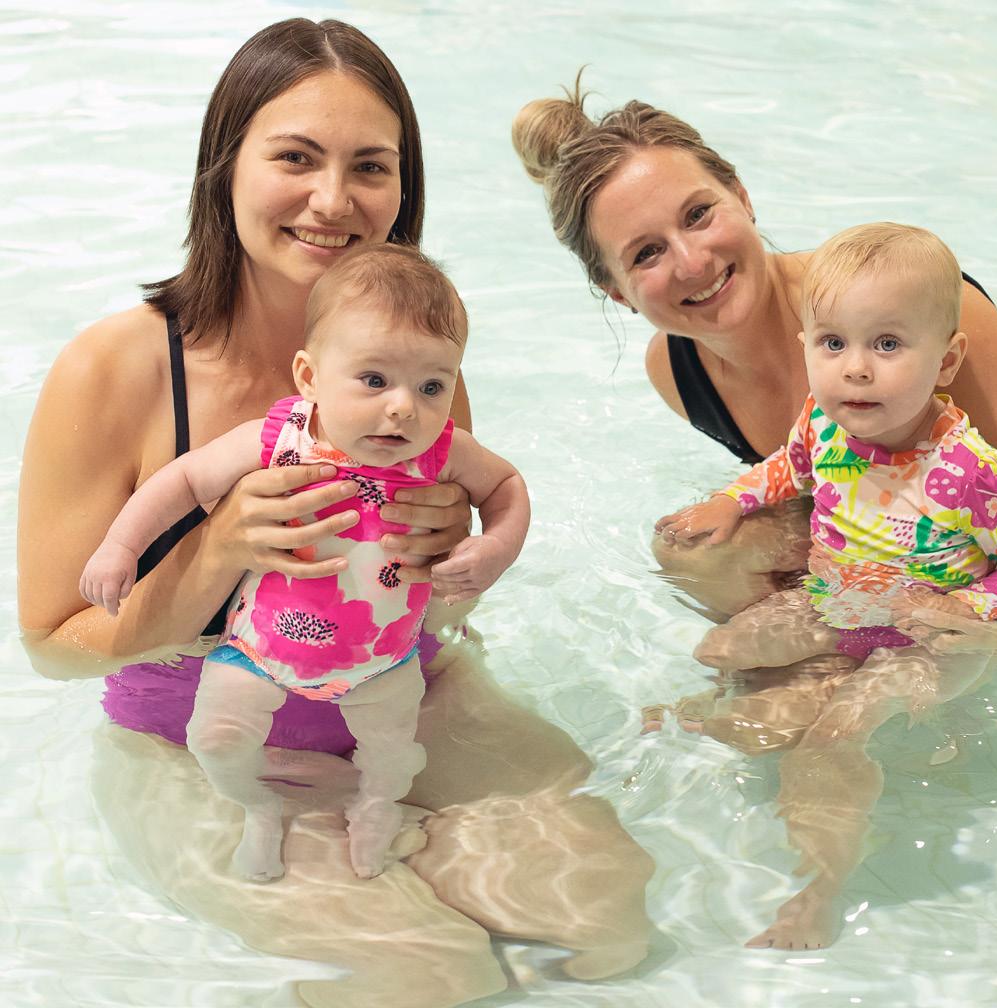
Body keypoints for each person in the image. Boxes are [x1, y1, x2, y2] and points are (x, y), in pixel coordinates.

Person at [19, 23, 652, 1005]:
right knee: (425, 974)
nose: (332, 199)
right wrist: (218, 551)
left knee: (605, 920)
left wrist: (458, 561)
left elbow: (436, 591)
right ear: (224, 167)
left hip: (400, 694)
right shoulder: (117, 369)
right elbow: (52, 647)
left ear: (403, 188)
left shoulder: (413, 367)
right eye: (295, 158)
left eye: (369, 167)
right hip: (200, 734)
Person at [512, 80, 997, 950]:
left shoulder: (912, 309)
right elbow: (815, 485)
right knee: (690, 552)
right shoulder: (677, 370)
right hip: (868, 571)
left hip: (965, 585)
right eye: (645, 253)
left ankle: (847, 743)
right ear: (615, 291)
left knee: (831, 731)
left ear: (742, 195)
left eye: (698, 214)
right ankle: (801, 694)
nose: (690, 261)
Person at [80, 244, 531, 884]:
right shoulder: (280, 438)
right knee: (216, 740)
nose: (404, 407)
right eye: (374, 380)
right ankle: (256, 807)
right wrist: (119, 548)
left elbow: (506, 486)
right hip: (257, 650)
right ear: (310, 376)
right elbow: (184, 480)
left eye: (432, 386)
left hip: (383, 659)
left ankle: (376, 807)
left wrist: (496, 548)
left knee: (392, 756)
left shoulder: (440, 452)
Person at [653, 221, 997, 740]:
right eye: (833, 343)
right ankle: (773, 691)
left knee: (834, 738)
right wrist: (731, 501)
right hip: (833, 604)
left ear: (946, 361)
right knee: (717, 651)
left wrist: (968, 606)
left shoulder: (975, 472)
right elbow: (791, 465)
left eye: (887, 344)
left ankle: (835, 720)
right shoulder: (823, 423)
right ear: (806, 347)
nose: (855, 368)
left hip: (923, 641)